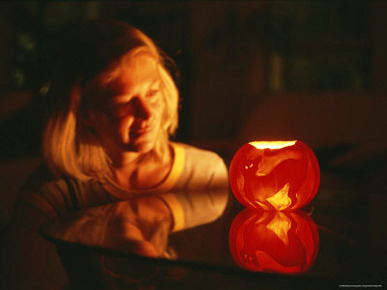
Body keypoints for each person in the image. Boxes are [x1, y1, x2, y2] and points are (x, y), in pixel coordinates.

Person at [1, 18, 228, 289]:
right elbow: (18, 279)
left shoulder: (204, 173)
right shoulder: (57, 190)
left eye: (152, 93)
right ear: (85, 113)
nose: (146, 113)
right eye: (123, 102)